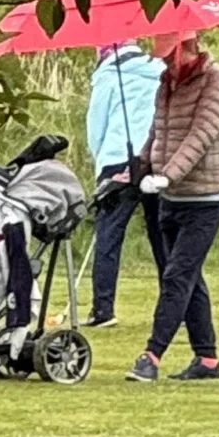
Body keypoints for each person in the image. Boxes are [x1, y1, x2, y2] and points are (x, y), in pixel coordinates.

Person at [126, 30, 219, 383]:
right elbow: (158, 133)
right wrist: (138, 168)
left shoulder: (216, 83)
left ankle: (151, 355)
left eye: (168, 54)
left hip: (206, 196)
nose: (163, 62)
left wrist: (167, 176)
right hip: (170, 197)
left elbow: (200, 137)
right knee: (187, 277)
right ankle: (206, 359)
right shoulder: (166, 83)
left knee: (177, 275)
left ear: (187, 48)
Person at [84, 41, 164, 328]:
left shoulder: (107, 75)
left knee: (108, 235)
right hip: (156, 158)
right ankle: (176, 305)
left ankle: (103, 309)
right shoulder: (158, 70)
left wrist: (101, 164)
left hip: (118, 159)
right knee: (162, 235)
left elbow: (97, 126)